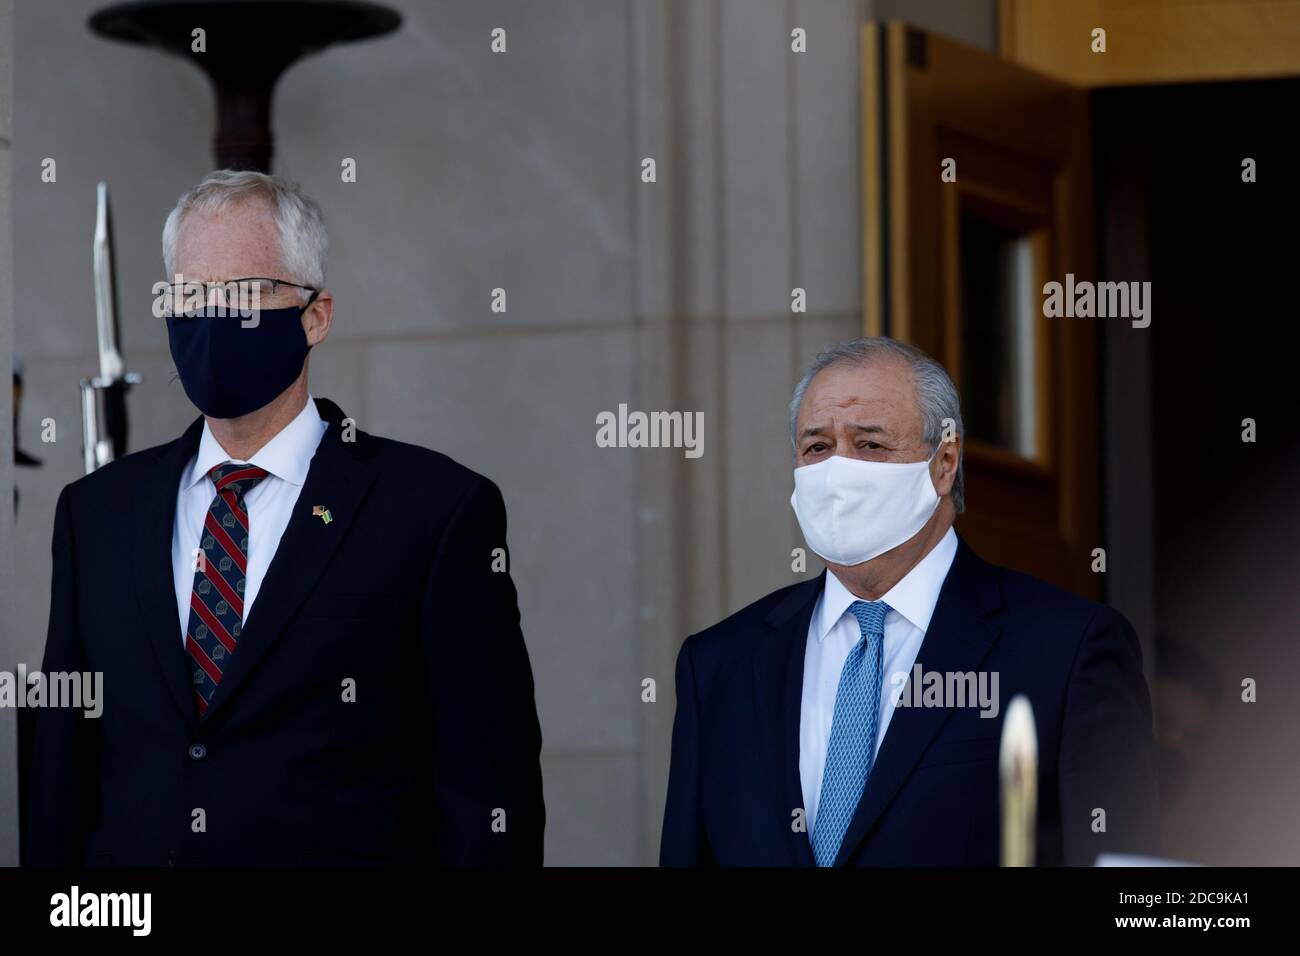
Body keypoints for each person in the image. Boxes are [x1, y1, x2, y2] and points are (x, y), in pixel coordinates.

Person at [26, 170, 545, 866]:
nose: (214, 316)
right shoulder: (97, 514)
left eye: (244, 291)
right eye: (190, 294)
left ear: (315, 316)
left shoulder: (433, 514)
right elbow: (62, 780)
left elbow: (489, 801)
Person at [660, 337, 1159, 866]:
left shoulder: (1066, 649)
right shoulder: (718, 664)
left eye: (870, 445)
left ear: (944, 463)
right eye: (817, 448)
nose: (837, 473)